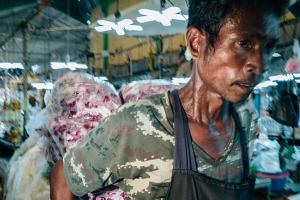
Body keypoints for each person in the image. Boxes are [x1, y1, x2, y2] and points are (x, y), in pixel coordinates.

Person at [50, 0, 289, 199]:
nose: (259, 64)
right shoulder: (138, 124)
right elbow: (63, 177)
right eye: (244, 43)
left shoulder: (245, 119)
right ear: (196, 43)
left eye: (268, 47)